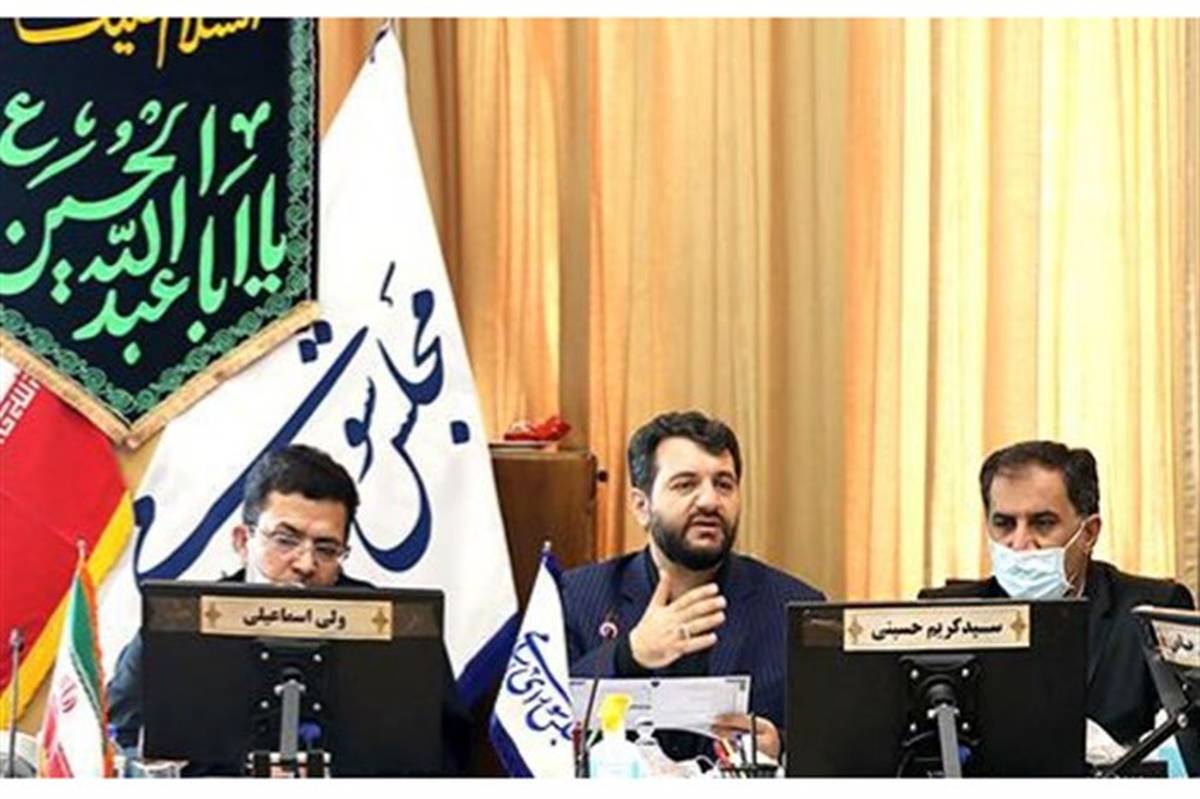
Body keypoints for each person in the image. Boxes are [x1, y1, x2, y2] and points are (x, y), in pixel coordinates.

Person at [107, 444, 471, 775]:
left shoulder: (396, 630)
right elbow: (119, 739)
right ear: (243, 541)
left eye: (326, 549)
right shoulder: (177, 626)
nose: (305, 564)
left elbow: (444, 758)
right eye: (285, 540)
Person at [561, 410, 825, 762]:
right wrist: (629, 654)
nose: (710, 501)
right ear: (641, 506)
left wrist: (783, 747)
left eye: (724, 484)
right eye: (685, 485)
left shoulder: (795, 609)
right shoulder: (578, 596)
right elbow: (537, 724)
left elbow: (836, 744)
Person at [919, 440, 1195, 746]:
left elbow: (1186, 746)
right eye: (1004, 524)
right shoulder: (943, 617)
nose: (1020, 543)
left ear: (1088, 533)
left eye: (1042, 523)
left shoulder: (1153, 609)